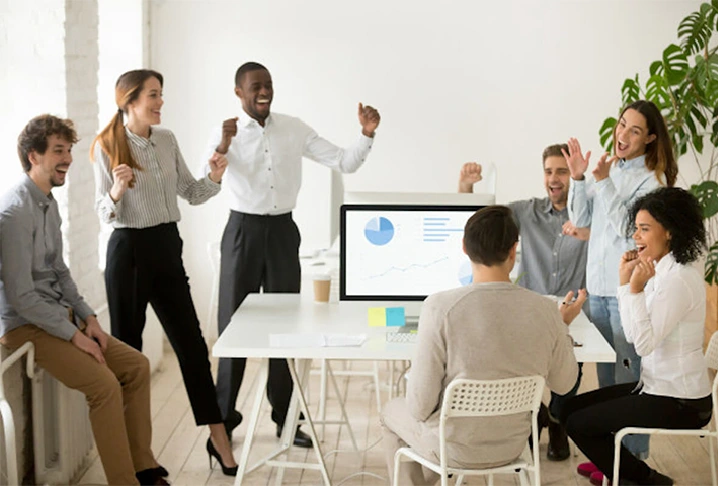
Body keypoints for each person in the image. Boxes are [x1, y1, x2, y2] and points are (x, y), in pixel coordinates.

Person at [204, 61, 381, 447]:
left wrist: (365, 134)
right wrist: (220, 147)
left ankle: (286, 420)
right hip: (242, 233)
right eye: (255, 86)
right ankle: (223, 425)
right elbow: (207, 180)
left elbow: (343, 161)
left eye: (268, 84)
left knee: (286, 329)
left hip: (283, 232)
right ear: (239, 92)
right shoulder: (226, 134)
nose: (263, 91)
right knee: (234, 331)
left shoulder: (293, 127)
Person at [0, 114, 168, 485]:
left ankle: (144, 469)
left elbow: (59, 271)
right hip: (26, 327)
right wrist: (74, 336)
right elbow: (22, 297)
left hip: (59, 317)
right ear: (33, 156)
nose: (68, 159)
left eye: (69, 150)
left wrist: (88, 317)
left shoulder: (48, 203)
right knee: (104, 386)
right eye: (58, 151)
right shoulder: (13, 213)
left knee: (136, 366)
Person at [91, 69, 237, 475]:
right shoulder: (106, 146)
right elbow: (103, 213)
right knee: (130, 356)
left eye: (161, 95)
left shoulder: (167, 139)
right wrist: (117, 192)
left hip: (166, 248)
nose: (160, 102)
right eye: (153, 95)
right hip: (128, 254)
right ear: (130, 100)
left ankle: (218, 438)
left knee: (191, 346)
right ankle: (138, 457)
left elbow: (191, 193)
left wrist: (215, 176)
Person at [380, 205, 586, 485]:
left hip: (452, 446)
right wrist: (562, 326)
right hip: (512, 446)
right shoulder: (546, 310)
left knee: (391, 412)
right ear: (514, 251)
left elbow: (419, 407)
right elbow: (564, 384)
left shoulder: (440, 307)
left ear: (464, 247)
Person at [562, 187, 711, 486]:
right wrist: (624, 282)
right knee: (567, 409)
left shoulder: (678, 279)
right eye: (636, 229)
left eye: (645, 229)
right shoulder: (662, 272)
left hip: (681, 402)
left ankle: (642, 479)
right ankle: (630, 473)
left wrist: (634, 290)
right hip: (657, 387)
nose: (636, 237)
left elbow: (642, 345)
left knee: (578, 423)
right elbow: (634, 335)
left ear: (669, 232)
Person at [564, 99, 678, 479]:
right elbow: (580, 219)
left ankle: (635, 466)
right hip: (597, 289)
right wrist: (579, 178)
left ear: (649, 138)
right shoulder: (609, 171)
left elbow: (629, 228)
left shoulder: (651, 181)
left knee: (629, 385)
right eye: (621, 125)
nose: (623, 134)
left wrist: (600, 181)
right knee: (608, 384)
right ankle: (610, 461)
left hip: (627, 292)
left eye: (634, 130)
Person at [458, 143, 589, 461]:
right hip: (529, 309)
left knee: (568, 370)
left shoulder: (588, 216)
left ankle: (556, 421)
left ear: (572, 175)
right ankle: (533, 415)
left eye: (561, 171)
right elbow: (482, 224)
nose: (554, 179)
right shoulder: (524, 212)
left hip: (574, 311)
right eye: (548, 171)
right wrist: (466, 187)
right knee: (517, 369)